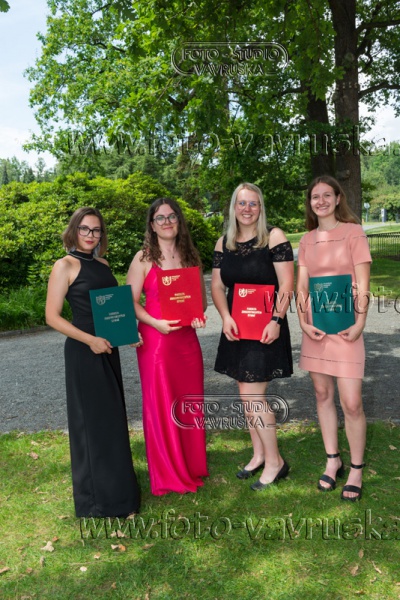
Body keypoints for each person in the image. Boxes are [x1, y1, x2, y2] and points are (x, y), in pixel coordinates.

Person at [46, 207, 140, 517]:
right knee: (92, 424)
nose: (91, 235)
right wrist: (90, 340)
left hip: (108, 349)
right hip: (84, 352)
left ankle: (120, 494)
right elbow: (52, 317)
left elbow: (113, 309)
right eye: (85, 229)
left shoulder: (103, 264)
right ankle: (96, 502)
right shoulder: (64, 265)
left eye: (96, 230)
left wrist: (128, 333)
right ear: (74, 230)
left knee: (112, 421)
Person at [211, 183, 294, 491]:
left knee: (253, 397)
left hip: (266, 329)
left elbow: (287, 285)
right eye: (242, 203)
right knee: (245, 396)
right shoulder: (224, 243)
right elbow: (217, 286)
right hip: (237, 328)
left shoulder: (274, 237)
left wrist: (276, 320)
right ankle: (259, 454)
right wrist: (225, 316)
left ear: (261, 208)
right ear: (234, 207)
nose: (247, 209)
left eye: (253, 204)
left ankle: (275, 462)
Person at [296, 175, 372, 501]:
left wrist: (361, 322)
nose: (321, 201)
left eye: (327, 195)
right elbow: (302, 286)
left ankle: (356, 468)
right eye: (316, 197)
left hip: (347, 328)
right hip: (316, 329)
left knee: (351, 402)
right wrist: (302, 322)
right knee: (322, 393)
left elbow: (363, 283)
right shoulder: (306, 240)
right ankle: (333, 460)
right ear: (310, 203)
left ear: (338, 198)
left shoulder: (353, 232)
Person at [127, 198, 208, 495]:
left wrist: (198, 316)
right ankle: (168, 471)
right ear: (152, 225)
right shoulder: (143, 258)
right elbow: (130, 302)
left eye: (172, 216)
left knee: (189, 403)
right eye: (160, 218)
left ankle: (192, 465)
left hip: (187, 342)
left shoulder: (190, 255)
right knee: (162, 404)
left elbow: (200, 301)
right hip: (157, 342)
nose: (167, 222)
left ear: (179, 220)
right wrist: (155, 323)